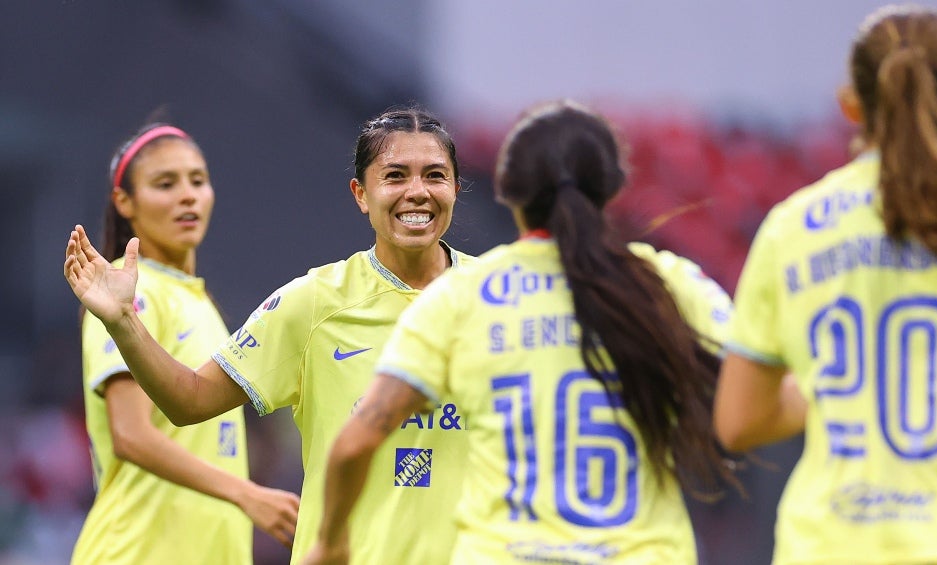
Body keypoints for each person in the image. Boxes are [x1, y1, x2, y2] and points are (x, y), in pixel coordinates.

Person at [303, 99, 742, 564]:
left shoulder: (460, 296)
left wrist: (331, 541)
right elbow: (754, 399)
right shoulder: (665, 282)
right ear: (611, 188)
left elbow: (355, 443)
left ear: (508, 191)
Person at [64, 107, 476, 564]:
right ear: (361, 194)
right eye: (395, 175)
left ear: (456, 188)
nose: (417, 192)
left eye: (435, 175)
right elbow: (186, 402)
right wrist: (122, 321)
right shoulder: (312, 302)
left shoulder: (497, 301)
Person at [714, 5, 937, 564]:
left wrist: (837, 392)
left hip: (825, 545)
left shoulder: (790, 226)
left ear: (850, 103)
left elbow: (739, 419)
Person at [66, 123, 300, 564]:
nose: (188, 195)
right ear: (125, 202)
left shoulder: (199, 302)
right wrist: (246, 494)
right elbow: (130, 435)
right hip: (137, 552)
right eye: (165, 184)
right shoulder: (130, 292)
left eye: (198, 180)